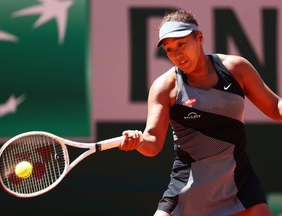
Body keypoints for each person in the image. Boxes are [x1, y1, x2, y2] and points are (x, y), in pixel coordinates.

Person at [119, 9, 282, 216]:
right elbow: (152, 142)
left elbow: (276, 108)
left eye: (181, 44)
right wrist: (139, 141)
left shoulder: (236, 69)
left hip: (239, 186)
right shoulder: (165, 88)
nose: (177, 55)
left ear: (200, 38)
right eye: (169, 49)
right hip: (188, 190)